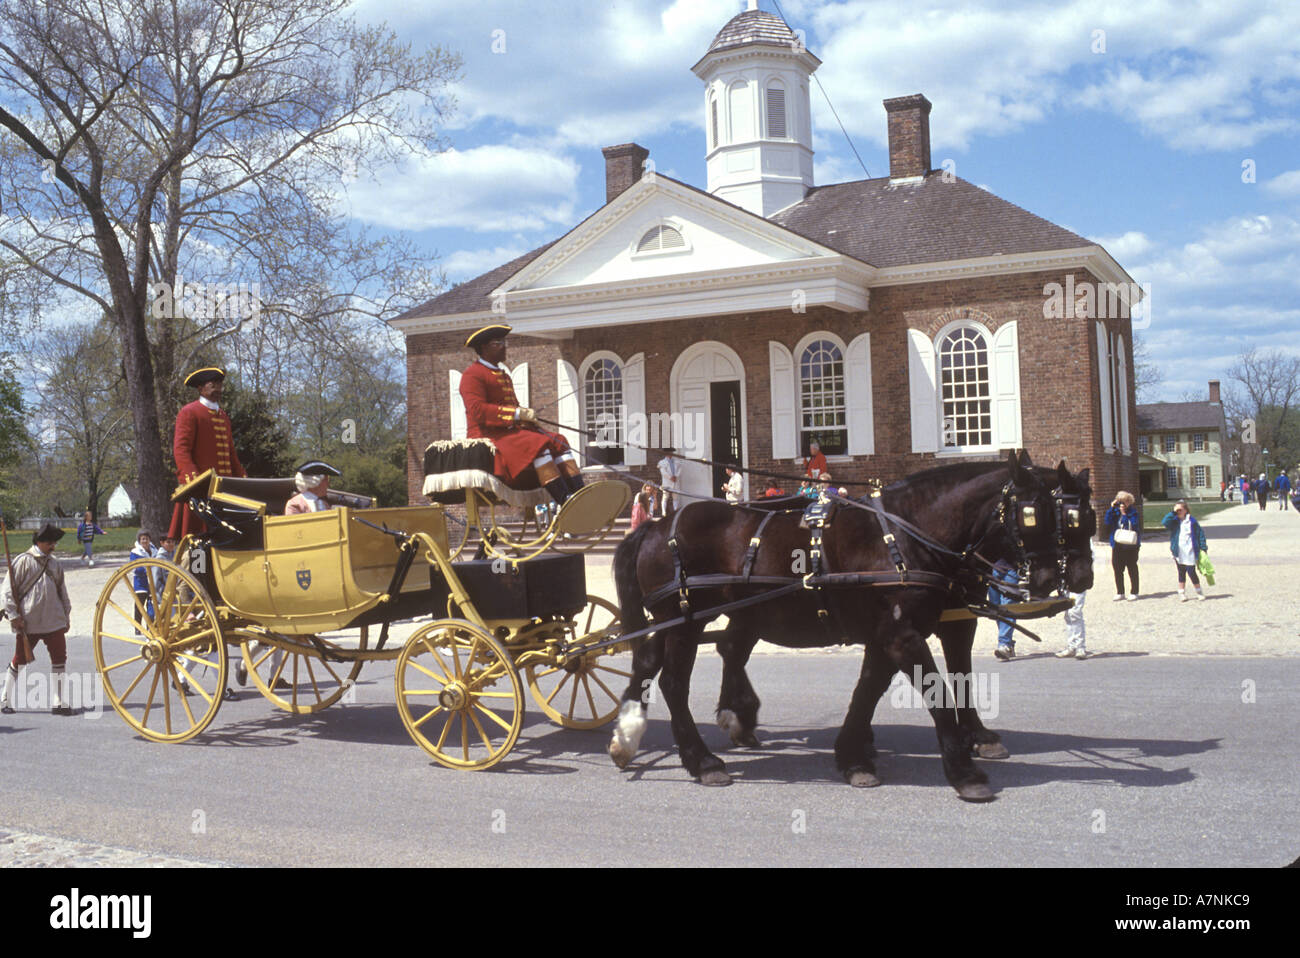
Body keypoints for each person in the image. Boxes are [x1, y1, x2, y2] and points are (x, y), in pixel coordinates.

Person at [459, 325, 582, 505]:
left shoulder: (503, 374)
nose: (504, 346)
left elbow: (513, 409)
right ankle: (565, 500)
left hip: (508, 433)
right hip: (487, 435)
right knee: (537, 445)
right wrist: (518, 413)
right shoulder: (472, 374)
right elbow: (478, 410)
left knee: (559, 440)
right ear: (484, 348)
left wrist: (528, 420)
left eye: (504, 342)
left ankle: (579, 494)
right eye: (497, 343)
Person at [0, 523, 74, 715]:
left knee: (59, 659)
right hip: (29, 623)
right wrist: (14, 616)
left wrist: (66, 615)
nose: (53, 547)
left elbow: (62, 591)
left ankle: (59, 702)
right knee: (19, 660)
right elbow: (8, 591)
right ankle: (5, 699)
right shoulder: (23, 561)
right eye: (50, 543)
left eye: (54, 543)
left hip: (54, 621)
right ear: (40, 542)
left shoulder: (55, 564)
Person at [168, 367, 246, 540]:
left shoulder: (223, 416)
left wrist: (241, 479)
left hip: (224, 490)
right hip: (202, 491)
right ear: (201, 388)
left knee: (224, 538)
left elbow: (230, 453)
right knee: (198, 540)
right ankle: (196, 568)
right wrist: (196, 482)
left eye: (219, 384)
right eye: (213, 384)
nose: (218, 389)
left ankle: (215, 568)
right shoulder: (189, 412)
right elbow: (181, 450)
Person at [1161, 499, 1208, 601]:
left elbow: (1200, 534)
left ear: (1186, 510)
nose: (1179, 512)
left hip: (1190, 550)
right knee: (1181, 572)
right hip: (1179, 551)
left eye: (1180, 510)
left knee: (1191, 571)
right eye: (1176, 510)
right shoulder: (1174, 521)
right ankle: (1181, 592)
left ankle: (1199, 591)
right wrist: (1172, 513)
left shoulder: (1192, 521)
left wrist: (1203, 548)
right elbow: (1164, 522)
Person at [1103, 490, 1141, 600]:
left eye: (1124, 502)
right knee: (1117, 568)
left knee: (1132, 568)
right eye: (1120, 502)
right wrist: (1111, 508)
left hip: (1131, 545)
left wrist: (1124, 514)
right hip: (1117, 544)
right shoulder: (1115, 512)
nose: (1122, 504)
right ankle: (1120, 592)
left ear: (1129, 502)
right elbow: (1107, 522)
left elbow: (1133, 525)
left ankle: (1134, 591)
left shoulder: (1133, 513)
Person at [988, 559, 1018, 660]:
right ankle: (1008, 644)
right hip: (993, 568)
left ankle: (1004, 644)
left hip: (1011, 569)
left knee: (1008, 606)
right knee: (995, 607)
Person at [129, 530, 156, 627]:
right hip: (141, 582)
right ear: (139, 541)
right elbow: (135, 567)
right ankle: (137, 626)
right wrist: (147, 570)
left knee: (151, 605)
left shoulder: (154, 550)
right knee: (139, 605)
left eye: (146, 539)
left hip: (152, 582)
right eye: (143, 539)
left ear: (149, 540)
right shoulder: (135, 552)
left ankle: (150, 626)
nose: (145, 541)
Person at [657, 449, 680, 516]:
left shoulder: (676, 461)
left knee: (675, 497)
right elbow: (663, 472)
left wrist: (676, 476)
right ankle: (663, 512)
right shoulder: (662, 462)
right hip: (667, 482)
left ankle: (675, 511)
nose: (670, 454)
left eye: (671, 452)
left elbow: (680, 470)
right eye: (668, 453)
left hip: (675, 481)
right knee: (665, 497)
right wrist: (670, 477)